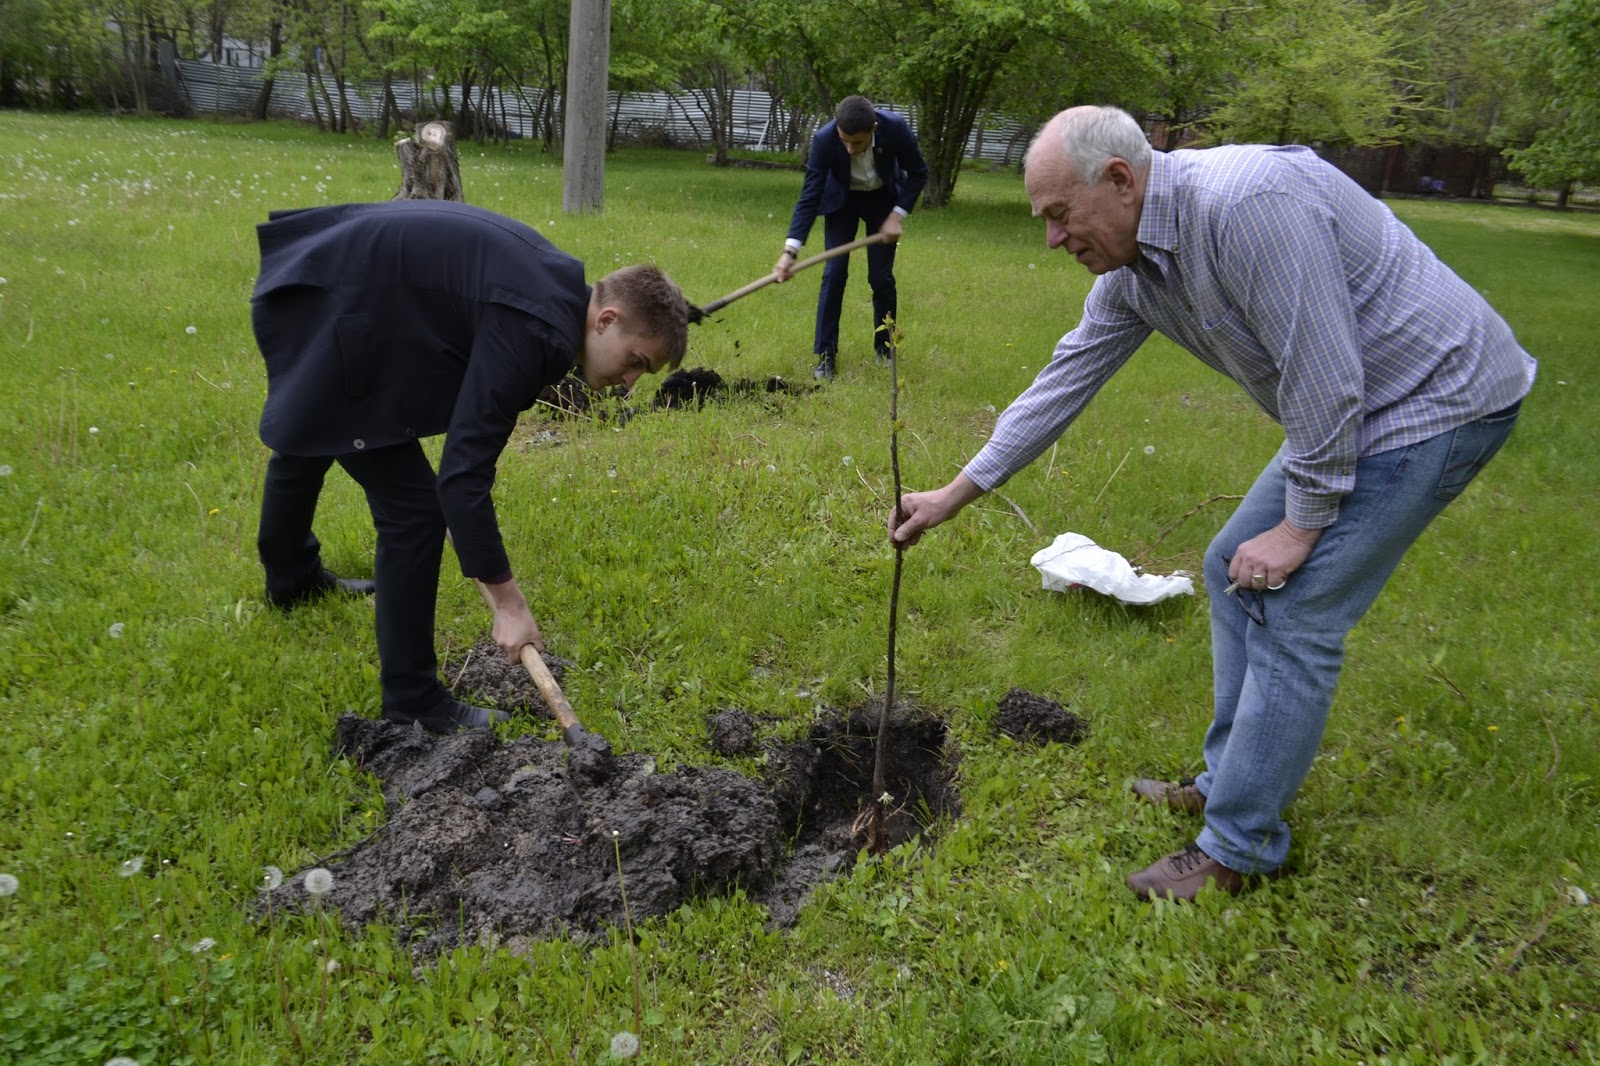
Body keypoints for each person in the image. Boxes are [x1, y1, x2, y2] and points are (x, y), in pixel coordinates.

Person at [889, 105, 1536, 901]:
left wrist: (1302, 527)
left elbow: (1327, 378)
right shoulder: (1131, 272)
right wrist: (955, 494)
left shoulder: (1245, 208)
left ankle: (1239, 845)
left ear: (1121, 180)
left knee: (1296, 611)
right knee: (1231, 563)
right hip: (1354, 406)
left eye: (1060, 215)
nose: (1052, 239)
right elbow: (1065, 380)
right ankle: (1229, 779)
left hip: (1437, 398)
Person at [251, 199, 689, 734]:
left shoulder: (556, 286)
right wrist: (508, 603)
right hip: (327, 298)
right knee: (413, 509)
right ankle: (413, 701)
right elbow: (462, 478)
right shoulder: (536, 332)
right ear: (606, 319)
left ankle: (291, 577)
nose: (629, 384)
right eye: (636, 362)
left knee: (317, 420)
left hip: (321, 275)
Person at [773, 95, 929, 381]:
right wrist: (789, 252)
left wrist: (897, 215)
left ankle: (885, 349)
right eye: (843, 140)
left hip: (884, 201)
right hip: (842, 203)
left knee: (880, 278)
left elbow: (919, 173)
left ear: (874, 128)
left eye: (856, 142)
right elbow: (809, 198)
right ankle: (826, 356)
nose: (849, 148)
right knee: (834, 273)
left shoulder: (895, 128)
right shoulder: (824, 140)